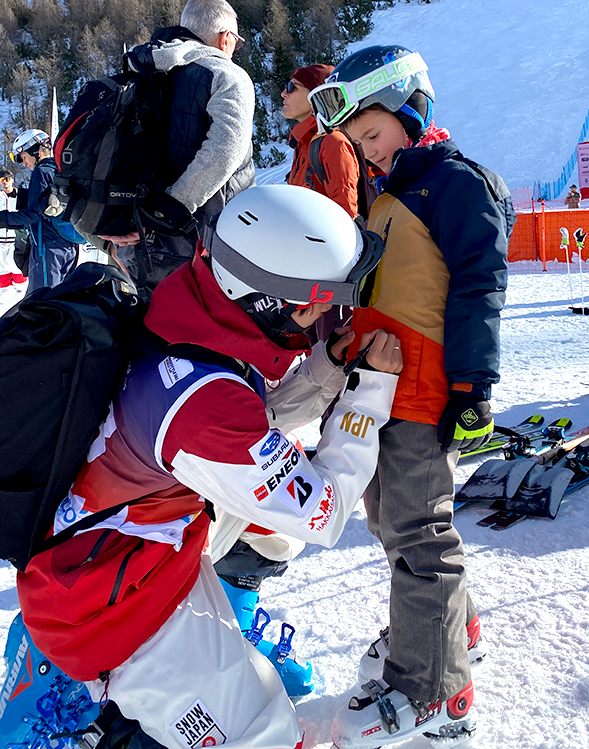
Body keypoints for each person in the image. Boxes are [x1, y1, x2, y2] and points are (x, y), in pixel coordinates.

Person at [16, 184, 402, 749]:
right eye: (323, 301)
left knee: (261, 664)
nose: (329, 315)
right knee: (259, 736)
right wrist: (371, 392)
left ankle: (138, 718)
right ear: (271, 301)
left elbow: (243, 422)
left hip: (130, 556)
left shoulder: (191, 308)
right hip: (116, 611)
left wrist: (327, 368)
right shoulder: (205, 405)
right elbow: (323, 512)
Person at [309, 45, 515, 748]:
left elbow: (481, 285)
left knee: (420, 533)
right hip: (381, 384)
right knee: (389, 518)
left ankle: (436, 691)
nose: (365, 154)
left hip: (427, 388)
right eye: (357, 144)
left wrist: (472, 387)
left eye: (371, 136)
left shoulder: (453, 183)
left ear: (412, 112)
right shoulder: (391, 191)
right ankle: (452, 630)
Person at [111, 0, 255, 296]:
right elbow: (224, 150)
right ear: (225, 37)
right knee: (210, 339)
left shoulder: (140, 75)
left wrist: (113, 230)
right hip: (206, 245)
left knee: (156, 333)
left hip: (138, 246)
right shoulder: (226, 75)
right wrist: (169, 210)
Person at [0, 130, 79, 293]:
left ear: (33, 149)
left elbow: (33, 214)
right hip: (68, 245)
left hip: (48, 247)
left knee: (40, 300)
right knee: (58, 297)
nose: (23, 163)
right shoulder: (59, 168)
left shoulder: (41, 171)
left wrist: (3, 218)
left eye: (22, 157)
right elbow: (45, 204)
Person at [283, 63, 362, 219]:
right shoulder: (304, 142)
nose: (284, 94)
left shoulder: (333, 143)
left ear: (318, 94)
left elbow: (345, 218)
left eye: (293, 87)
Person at [0, 168, 27, 293]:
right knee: (1, 266)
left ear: (12, 180)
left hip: (15, 237)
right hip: (0, 238)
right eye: (1, 180)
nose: (4, 182)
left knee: (15, 263)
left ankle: (21, 288)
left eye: (6, 179)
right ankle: (5, 292)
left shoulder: (20, 197)